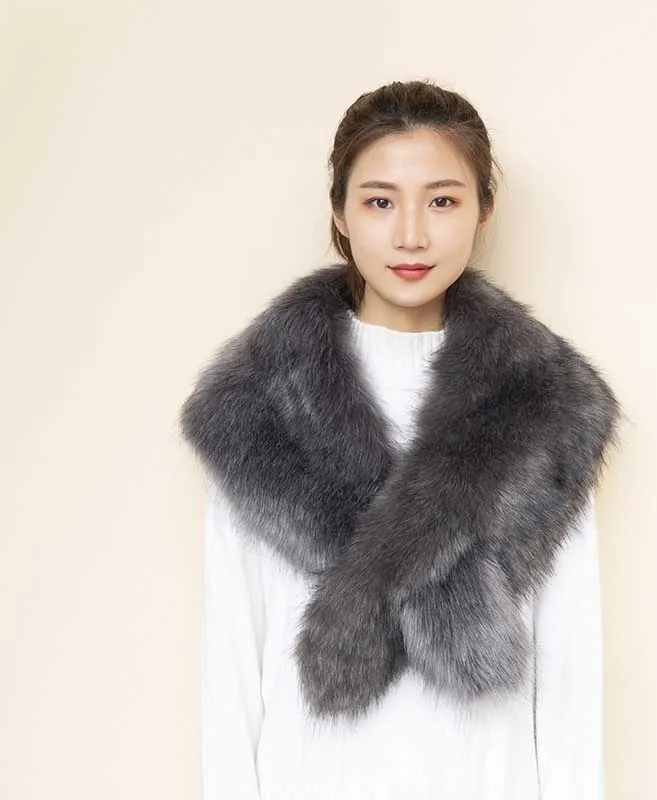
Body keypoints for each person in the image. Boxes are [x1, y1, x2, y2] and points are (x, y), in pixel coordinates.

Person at [179, 79, 621, 800]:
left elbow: (569, 664)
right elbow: (231, 654)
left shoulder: (542, 405)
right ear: (340, 212)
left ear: (483, 210)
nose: (411, 234)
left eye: (442, 201)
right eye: (380, 202)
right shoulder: (260, 406)